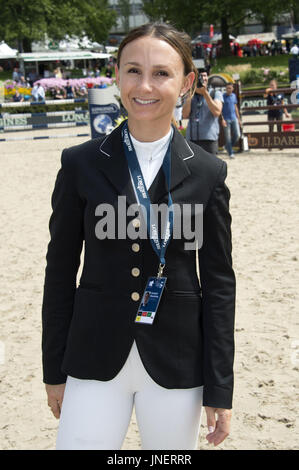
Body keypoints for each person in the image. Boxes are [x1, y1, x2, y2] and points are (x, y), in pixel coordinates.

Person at [42, 22, 235, 450]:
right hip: (93, 353)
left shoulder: (208, 172)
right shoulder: (80, 164)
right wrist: (53, 368)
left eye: (161, 73)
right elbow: (59, 273)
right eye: (132, 70)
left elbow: (220, 284)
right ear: (116, 75)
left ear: (187, 83)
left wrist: (220, 387)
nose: (144, 85)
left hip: (177, 360)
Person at [183, 68, 223, 155]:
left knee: (211, 168)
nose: (203, 78)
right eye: (200, 76)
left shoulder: (215, 93)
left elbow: (217, 112)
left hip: (209, 139)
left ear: (208, 77)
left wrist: (205, 93)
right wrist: (190, 93)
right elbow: (185, 115)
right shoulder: (190, 95)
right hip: (192, 138)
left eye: (205, 76)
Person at [221, 83, 242, 159]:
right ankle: (230, 153)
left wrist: (238, 119)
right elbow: (220, 109)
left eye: (230, 88)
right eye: (227, 88)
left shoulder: (234, 96)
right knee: (228, 137)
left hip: (234, 118)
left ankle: (227, 146)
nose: (228, 90)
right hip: (226, 119)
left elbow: (235, 107)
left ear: (232, 89)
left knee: (237, 135)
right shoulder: (223, 97)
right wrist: (222, 119)